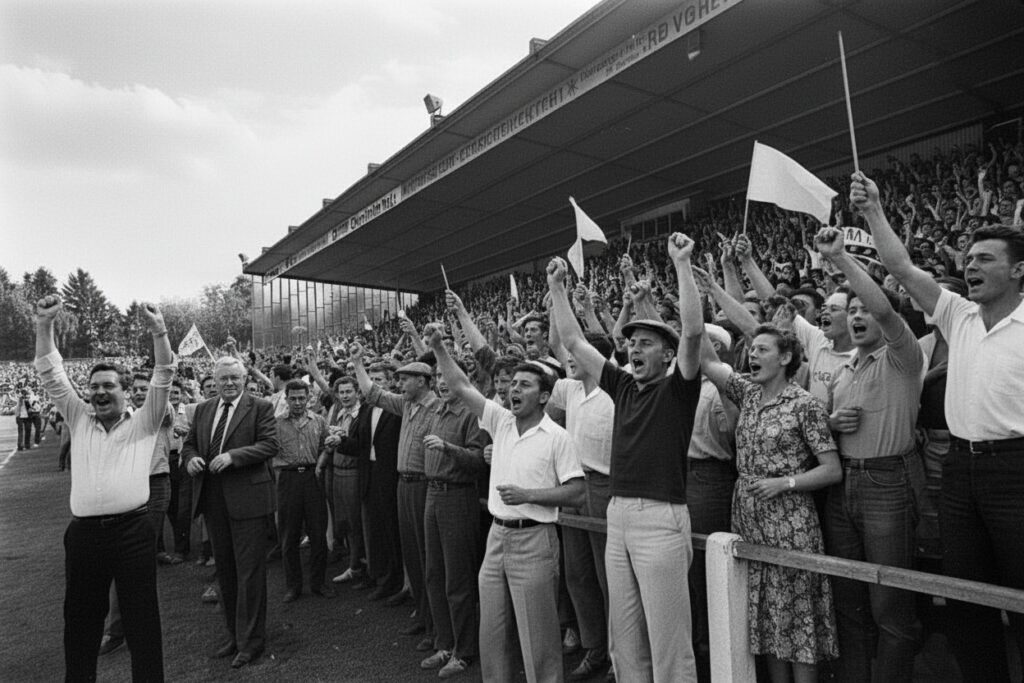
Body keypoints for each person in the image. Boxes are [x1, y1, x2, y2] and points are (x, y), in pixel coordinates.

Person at [851, 171, 1024, 681]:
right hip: (959, 472)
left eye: (984, 259)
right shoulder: (958, 315)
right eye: (968, 260)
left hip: (1017, 473)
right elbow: (901, 267)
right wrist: (874, 210)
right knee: (965, 598)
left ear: (1019, 272)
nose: (970, 266)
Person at [548, 232, 704, 682]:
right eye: (631, 343)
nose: (635, 349)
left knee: (669, 643)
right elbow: (575, 343)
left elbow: (692, 331)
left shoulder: (679, 389)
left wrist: (681, 263)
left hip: (661, 518)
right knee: (625, 640)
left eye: (647, 344)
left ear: (668, 355)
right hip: (618, 515)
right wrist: (558, 289)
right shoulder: (621, 386)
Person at [426, 326, 584, 683]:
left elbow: (577, 492)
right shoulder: (501, 421)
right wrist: (437, 348)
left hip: (535, 540)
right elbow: (462, 386)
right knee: (493, 633)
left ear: (544, 397)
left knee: (538, 638)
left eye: (524, 385)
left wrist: (529, 495)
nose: (514, 389)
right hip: (496, 539)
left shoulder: (558, 437)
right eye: (512, 384)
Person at [34, 295, 172, 683]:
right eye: (93, 386)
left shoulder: (145, 420)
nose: (99, 392)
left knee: (142, 620)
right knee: (79, 620)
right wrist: (44, 324)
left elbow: (164, 371)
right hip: (84, 536)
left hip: (134, 532)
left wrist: (159, 330)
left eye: (108, 385)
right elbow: (51, 372)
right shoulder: (78, 417)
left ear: (125, 390)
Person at [699, 318, 842, 683]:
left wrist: (785, 482)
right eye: (753, 349)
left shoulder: (803, 404)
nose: (753, 355)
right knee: (766, 617)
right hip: (749, 517)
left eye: (763, 349)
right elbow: (705, 359)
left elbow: (831, 470)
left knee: (796, 616)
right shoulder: (747, 393)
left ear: (786, 357)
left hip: (790, 521)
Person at [814, 226, 924, 682]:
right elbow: (820, 430)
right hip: (843, 486)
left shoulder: (903, 356)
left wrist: (840, 259)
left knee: (890, 605)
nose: (859, 315)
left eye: (865, 311)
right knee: (849, 599)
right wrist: (831, 425)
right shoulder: (843, 370)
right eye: (851, 311)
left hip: (887, 485)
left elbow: (881, 303)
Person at [183, 356, 278, 669]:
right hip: (213, 500)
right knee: (225, 570)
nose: (228, 384)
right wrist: (192, 459)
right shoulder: (204, 408)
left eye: (234, 378)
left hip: (248, 501)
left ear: (244, 378)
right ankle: (234, 635)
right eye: (223, 378)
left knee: (250, 571)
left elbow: (269, 445)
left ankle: (251, 642)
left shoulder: (260, 407)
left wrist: (233, 457)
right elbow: (189, 444)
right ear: (214, 378)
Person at [350, 346, 439, 646]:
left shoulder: (437, 408)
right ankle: (422, 613)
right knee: (412, 555)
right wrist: (357, 363)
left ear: (423, 382)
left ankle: (436, 624)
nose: (399, 385)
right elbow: (373, 393)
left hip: (426, 486)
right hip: (403, 485)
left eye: (405, 380)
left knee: (428, 558)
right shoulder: (406, 404)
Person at [417, 360, 487, 678]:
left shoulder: (473, 413)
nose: (443, 384)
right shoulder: (437, 410)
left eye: (449, 379)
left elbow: (478, 462)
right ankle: (444, 643)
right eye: (439, 379)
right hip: (432, 495)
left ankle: (464, 650)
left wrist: (447, 448)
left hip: (458, 496)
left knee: (457, 578)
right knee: (434, 574)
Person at [274, 379, 333, 601]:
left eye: (302, 398)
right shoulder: (276, 424)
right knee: (289, 535)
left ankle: (318, 583)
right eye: (293, 398)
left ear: (309, 398)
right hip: (288, 479)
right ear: (286, 399)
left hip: (312, 477)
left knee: (318, 533)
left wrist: (321, 461)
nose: (298, 402)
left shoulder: (318, 421)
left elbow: (327, 446)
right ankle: (293, 586)